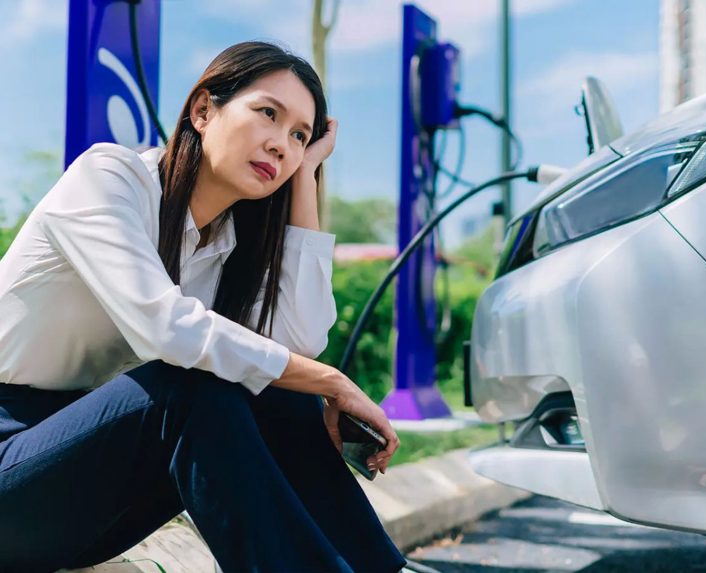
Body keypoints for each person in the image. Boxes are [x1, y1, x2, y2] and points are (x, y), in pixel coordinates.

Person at [0, 41, 407, 573]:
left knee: (274, 394)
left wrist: (306, 175)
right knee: (188, 388)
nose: (281, 145)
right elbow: (167, 329)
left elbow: (297, 343)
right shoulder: (109, 179)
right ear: (203, 110)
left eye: (299, 135)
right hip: (14, 462)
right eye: (268, 113)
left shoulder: (221, 248)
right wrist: (331, 381)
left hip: (72, 481)